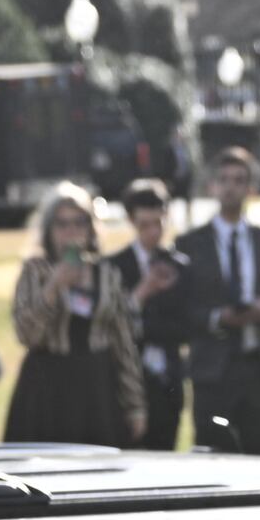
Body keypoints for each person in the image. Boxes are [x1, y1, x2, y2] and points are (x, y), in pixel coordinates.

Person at [5, 186, 141, 444]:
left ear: (91, 228)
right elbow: (26, 334)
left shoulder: (107, 274)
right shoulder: (35, 272)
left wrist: (135, 405)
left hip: (97, 386)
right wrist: (54, 287)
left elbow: (123, 343)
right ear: (49, 230)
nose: (71, 231)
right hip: (46, 388)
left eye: (80, 222)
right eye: (62, 224)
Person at [182, 149, 260, 454]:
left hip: (259, 366)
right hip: (214, 370)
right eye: (224, 180)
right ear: (212, 186)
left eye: (239, 180)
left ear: (251, 188)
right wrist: (219, 317)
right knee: (212, 453)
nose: (231, 187)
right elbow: (185, 310)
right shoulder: (191, 243)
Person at [110, 179, 194, 450]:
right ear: (131, 221)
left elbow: (187, 325)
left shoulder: (180, 265)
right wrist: (142, 292)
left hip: (169, 378)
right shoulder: (115, 267)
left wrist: (148, 326)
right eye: (144, 224)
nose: (153, 232)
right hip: (130, 380)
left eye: (159, 223)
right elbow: (113, 323)